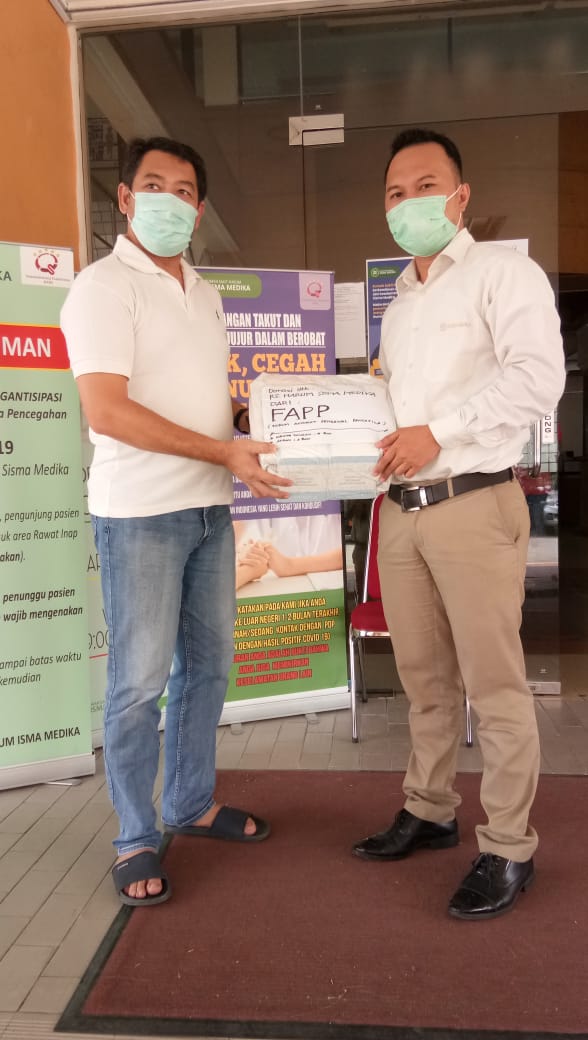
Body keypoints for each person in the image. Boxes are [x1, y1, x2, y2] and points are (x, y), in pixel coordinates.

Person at [61, 136, 290, 907]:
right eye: (154, 185)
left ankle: (190, 802)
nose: (172, 200)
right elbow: (107, 410)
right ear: (125, 198)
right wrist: (223, 451)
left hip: (209, 513)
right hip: (141, 518)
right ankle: (134, 835)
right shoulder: (101, 288)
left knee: (210, 668)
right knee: (137, 685)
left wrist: (253, 417)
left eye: (186, 190)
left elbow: (198, 397)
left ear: (199, 208)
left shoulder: (204, 292)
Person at [352, 127, 566, 920]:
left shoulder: (503, 274)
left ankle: (509, 845)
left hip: (474, 502)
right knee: (424, 680)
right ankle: (430, 807)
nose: (409, 202)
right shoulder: (400, 305)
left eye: (425, 186)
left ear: (460, 195)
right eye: (395, 192)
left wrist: (437, 434)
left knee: (494, 686)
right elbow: (392, 409)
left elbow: (538, 379)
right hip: (401, 512)